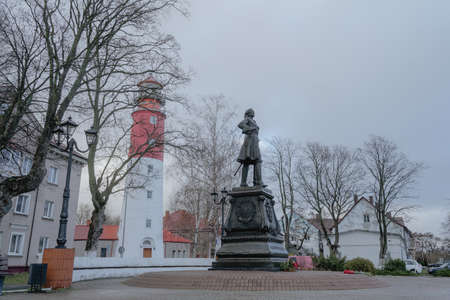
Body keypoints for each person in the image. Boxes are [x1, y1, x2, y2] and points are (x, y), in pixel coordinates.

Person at [237, 108, 264, 187]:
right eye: (252, 112)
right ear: (249, 113)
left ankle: (257, 182)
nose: (253, 112)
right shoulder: (247, 119)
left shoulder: (254, 121)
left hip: (255, 141)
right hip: (250, 141)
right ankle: (244, 183)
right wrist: (249, 129)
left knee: (257, 161)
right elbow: (240, 125)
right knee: (247, 162)